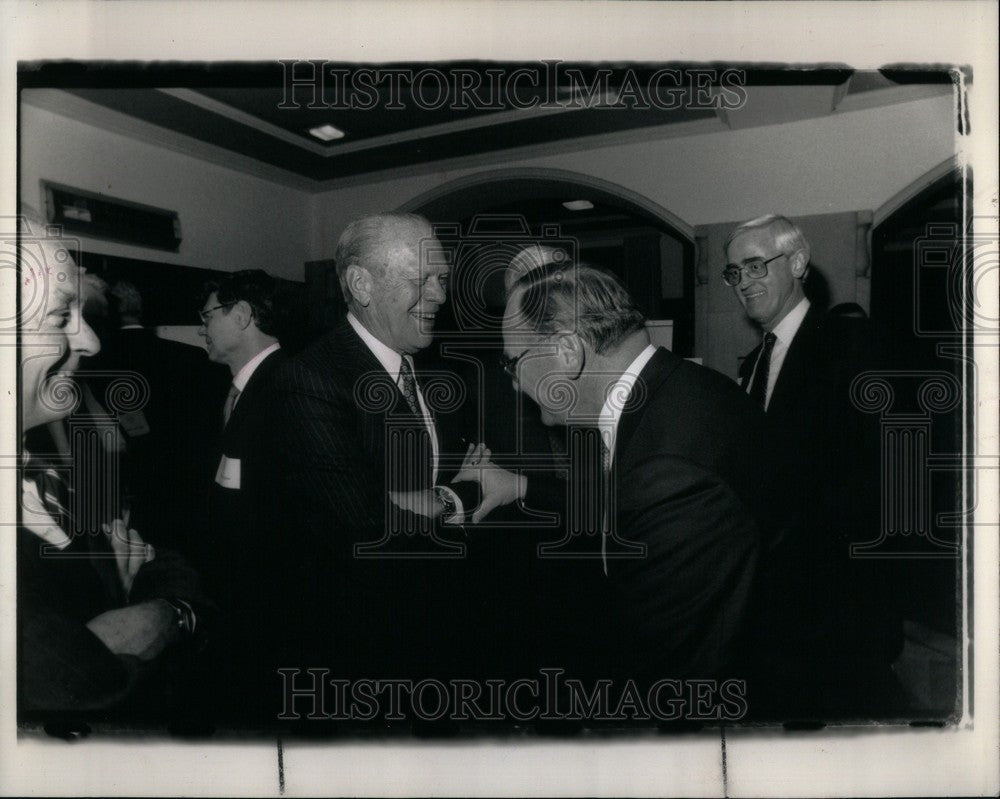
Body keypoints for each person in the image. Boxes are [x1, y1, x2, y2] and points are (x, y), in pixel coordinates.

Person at [478, 262, 764, 690]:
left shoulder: (669, 472)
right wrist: (517, 486)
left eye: (512, 362)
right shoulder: (682, 389)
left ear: (567, 352)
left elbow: (668, 679)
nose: (515, 384)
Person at [261, 213, 480, 690]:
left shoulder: (441, 374)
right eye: (421, 280)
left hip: (443, 626)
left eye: (441, 279)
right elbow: (363, 525)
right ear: (361, 284)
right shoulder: (310, 380)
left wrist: (427, 499)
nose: (440, 295)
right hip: (363, 647)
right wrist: (461, 496)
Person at [16, 214, 208, 716]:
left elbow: (159, 565)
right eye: (61, 318)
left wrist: (159, 611)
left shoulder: (42, 471)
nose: (91, 342)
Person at [724, 213, 903, 717]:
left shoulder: (849, 345)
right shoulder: (755, 362)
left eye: (755, 265)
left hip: (838, 614)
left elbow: (878, 488)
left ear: (798, 262)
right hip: (774, 613)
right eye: (734, 272)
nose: (743, 282)